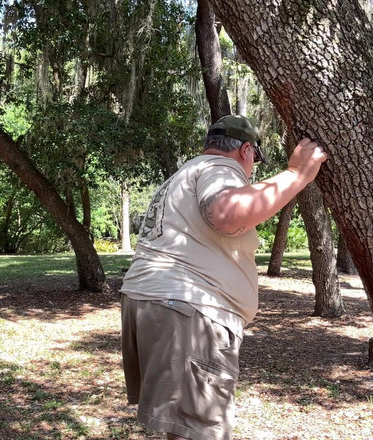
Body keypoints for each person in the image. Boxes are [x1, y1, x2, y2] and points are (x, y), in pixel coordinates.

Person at [120, 115, 327, 440]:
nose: (251, 172)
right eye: (254, 161)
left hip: (156, 302)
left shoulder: (186, 173)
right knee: (201, 432)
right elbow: (227, 213)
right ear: (246, 150)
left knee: (185, 431)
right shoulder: (219, 169)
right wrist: (296, 174)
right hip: (189, 309)